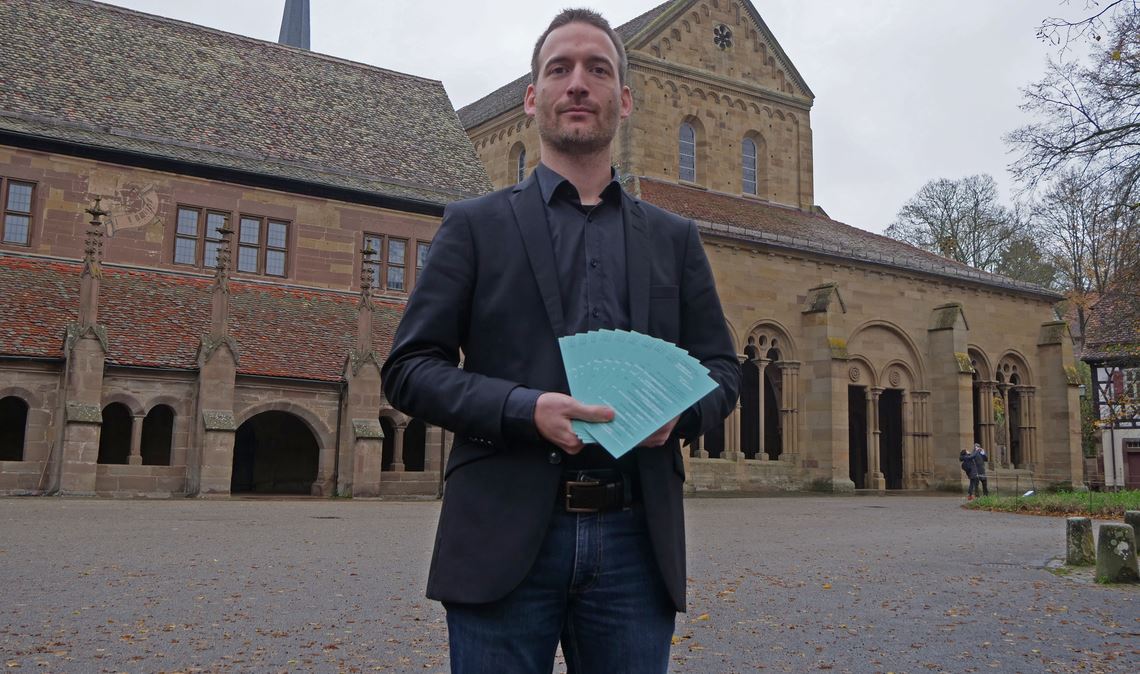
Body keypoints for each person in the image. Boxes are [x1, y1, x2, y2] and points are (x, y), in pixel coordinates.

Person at [380, 8, 740, 674]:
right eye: (559, 69)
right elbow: (409, 369)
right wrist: (524, 409)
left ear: (624, 100)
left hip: (636, 542)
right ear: (532, 97)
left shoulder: (675, 238)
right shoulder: (473, 226)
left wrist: (680, 413)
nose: (578, 83)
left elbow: (722, 368)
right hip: (502, 534)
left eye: (597, 69)